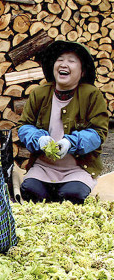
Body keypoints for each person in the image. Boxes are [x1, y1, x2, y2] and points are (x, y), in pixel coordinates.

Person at [17, 41, 109, 204]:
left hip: (78, 168)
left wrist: (70, 142)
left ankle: (70, 187)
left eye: (71, 61)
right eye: (60, 59)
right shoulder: (39, 93)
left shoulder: (92, 95)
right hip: (44, 167)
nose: (64, 64)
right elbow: (24, 126)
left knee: (72, 195)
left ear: (82, 71)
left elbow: (98, 133)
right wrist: (39, 139)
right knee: (30, 190)